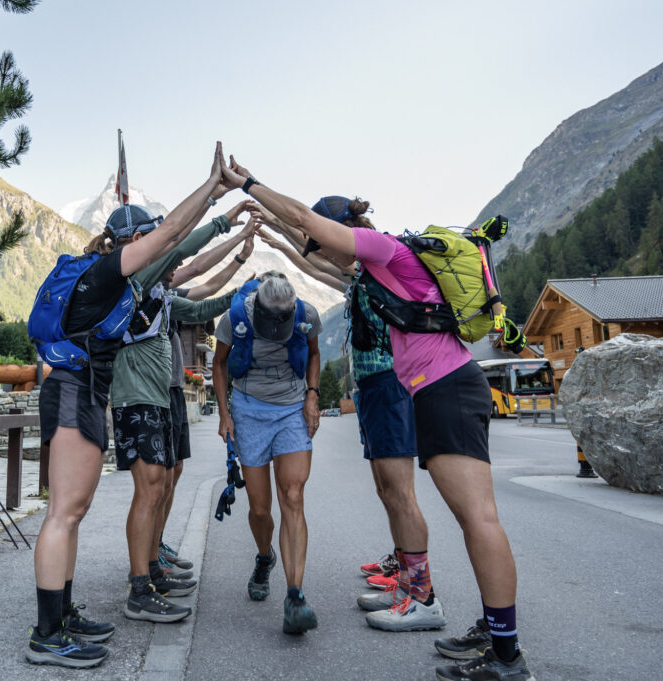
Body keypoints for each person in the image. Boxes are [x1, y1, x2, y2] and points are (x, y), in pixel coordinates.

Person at [220, 154, 535, 680]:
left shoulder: (382, 247)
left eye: (327, 240)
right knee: (471, 518)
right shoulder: (378, 266)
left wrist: (248, 183)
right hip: (437, 389)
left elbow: (302, 218)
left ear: (344, 232)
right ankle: (494, 632)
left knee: (478, 519)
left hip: (448, 389)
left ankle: (507, 656)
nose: (324, 253)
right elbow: (312, 247)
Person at [27, 143, 227, 669]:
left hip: (84, 391)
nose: (153, 247)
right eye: (145, 239)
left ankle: (62, 615)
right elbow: (173, 237)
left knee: (73, 512)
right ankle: (48, 634)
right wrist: (211, 190)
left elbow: (177, 252)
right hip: (73, 391)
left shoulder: (110, 279)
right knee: (63, 514)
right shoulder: (107, 273)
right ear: (130, 242)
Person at [261, 198, 444, 631]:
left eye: (323, 242)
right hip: (373, 390)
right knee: (386, 490)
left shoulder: (377, 262)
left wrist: (276, 219)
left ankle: (424, 597)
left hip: (391, 384)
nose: (321, 253)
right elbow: (312, 263)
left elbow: (315, 260)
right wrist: (276, 230)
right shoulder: (362, 275)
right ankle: (406, 581)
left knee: (400, 493)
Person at [109, 196, 251, 625]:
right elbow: (182, 251)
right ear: (136, 241)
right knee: (150, 487)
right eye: (152, 235)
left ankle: (150, 570)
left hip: (155, 396)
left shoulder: (158, 294)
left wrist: (240, 291)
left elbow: (206, 304)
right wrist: (227, 221)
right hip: (136, 395)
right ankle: (140, 587)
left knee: (158, 485)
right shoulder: (129, 281)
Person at [212, 271, 323, 635]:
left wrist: (312, 395)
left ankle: (295, 595)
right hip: (249, 410)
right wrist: (225, 415)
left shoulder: (307, 316)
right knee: (260, 508)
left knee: (293, 495)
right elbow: (219, 364)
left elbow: (314, 354)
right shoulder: (235, 319)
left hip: (292, 409)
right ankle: (264, 556)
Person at [158, 224, 258, 577]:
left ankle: (157, 543)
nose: (173, 269)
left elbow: (208, 288)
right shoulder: (149, 290)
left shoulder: (169, 292)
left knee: (175, 470)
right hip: (157, 390)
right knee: (158, 477)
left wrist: (241, 258)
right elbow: (200, 274)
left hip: (171, 388)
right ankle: (150, 554)